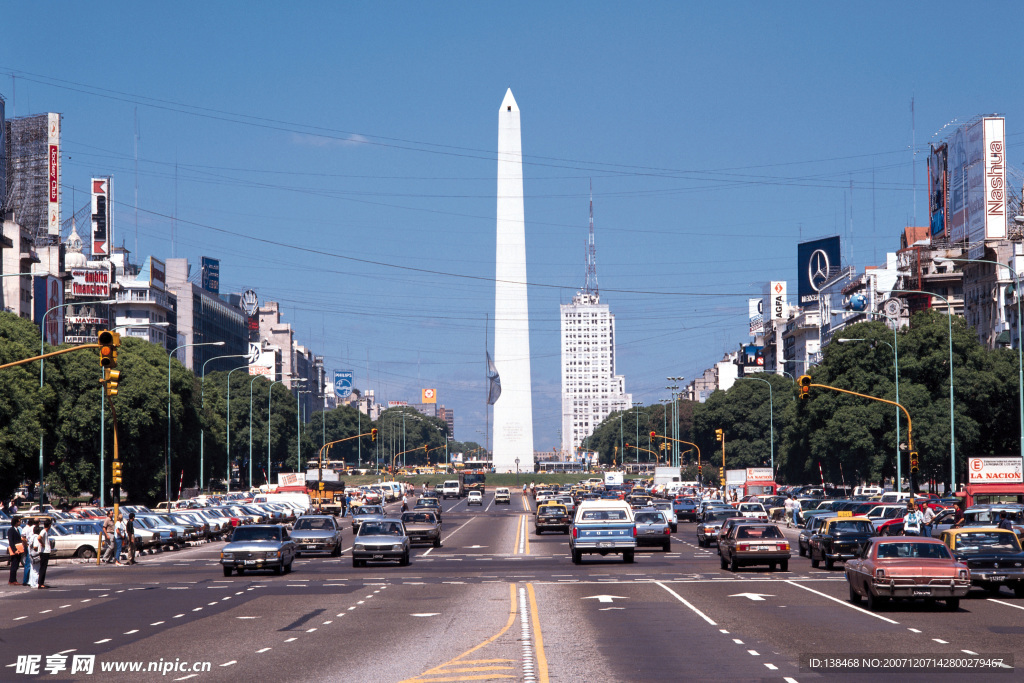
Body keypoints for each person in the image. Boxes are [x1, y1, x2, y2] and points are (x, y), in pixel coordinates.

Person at [36, 518, 53, 588]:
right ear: (49, 525)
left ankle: (41, 582)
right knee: (43, 568)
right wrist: (42, 544)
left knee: (44, 567)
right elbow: (39, 538)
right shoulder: (43, 531)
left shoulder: (45, 532)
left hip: (46, 551)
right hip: (44, 552)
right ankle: (40, 583)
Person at [7, 515, 24, 586]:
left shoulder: (17, 529)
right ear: (16, 522)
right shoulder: (11, 530)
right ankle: (12, 580)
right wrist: (15, 550)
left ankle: (14, 579)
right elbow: (11, 541)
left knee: (16, 565)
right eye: (19, 521)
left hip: (19, 549)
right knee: (14, 565)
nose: (20, 522)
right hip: (15, 550)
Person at [20, 518, 33, 585]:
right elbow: (23, 538)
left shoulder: (25, 528)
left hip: (27, 546)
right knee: (28, 564)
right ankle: (26, 580)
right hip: (28, 547)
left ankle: (27, 580)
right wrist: (27, 545)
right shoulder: (28, 529)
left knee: (28, 564)